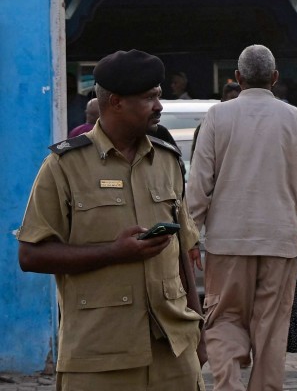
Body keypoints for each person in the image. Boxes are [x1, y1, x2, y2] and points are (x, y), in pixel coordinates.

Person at [18, 49, 205, 390]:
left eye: (159, 96)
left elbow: (181, 255)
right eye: (149, 98)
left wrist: (198, 332)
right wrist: (114, 252)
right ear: (116, 102)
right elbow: (30, 255)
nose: (159, 106)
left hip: (173, 353)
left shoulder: (167, 161)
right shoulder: (64, 167)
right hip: (99, 356)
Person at [186, 44, 297, 391]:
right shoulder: (294, 117)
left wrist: (190, 234)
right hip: (280, 242)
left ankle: (228, 384)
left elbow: (199, 182)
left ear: (236, 78)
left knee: (222, 320)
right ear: (275, 78)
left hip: (227, 241)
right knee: (271, 330)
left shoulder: (217, 117)